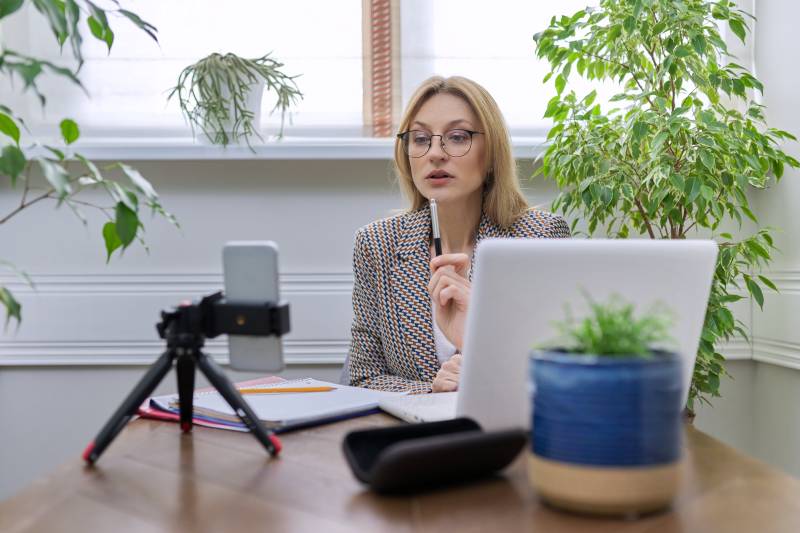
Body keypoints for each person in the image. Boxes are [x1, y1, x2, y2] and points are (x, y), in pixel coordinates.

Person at [348, 75, 570, 393]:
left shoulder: (539, 238)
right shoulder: (377, 244)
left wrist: (479, 346)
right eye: (421, 139)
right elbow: (362, 378)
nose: (435, 153)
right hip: (413, 439)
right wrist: (432, 393)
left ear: (491, 154)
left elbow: (560, 373)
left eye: (456, 137)